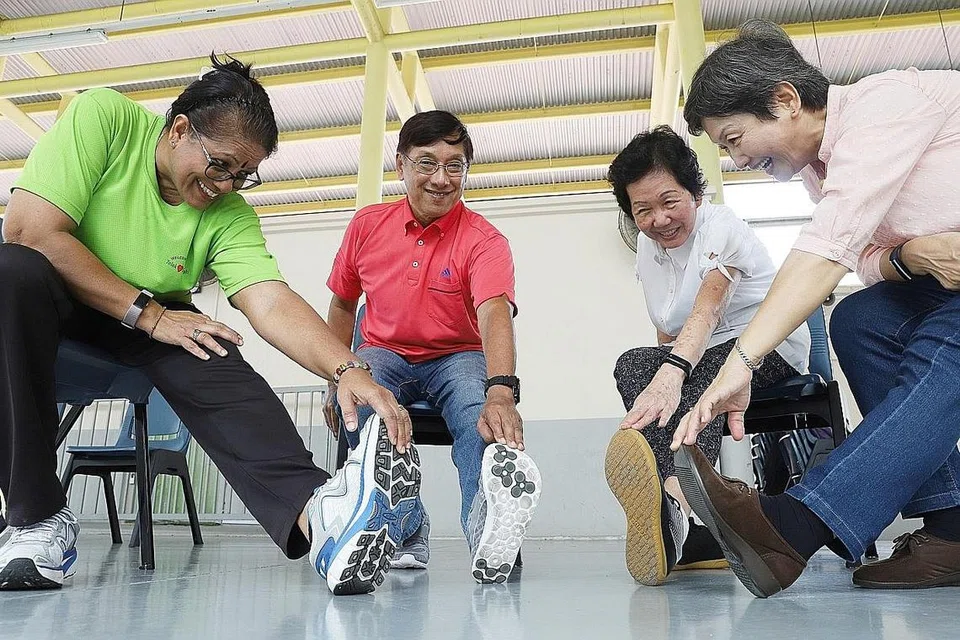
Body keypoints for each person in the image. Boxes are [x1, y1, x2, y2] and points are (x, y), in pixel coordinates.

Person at [0, 54, 423, 596]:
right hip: (58, 305)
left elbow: (267, 300)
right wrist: (148, 314)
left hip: (151, 321)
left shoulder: (230, 214)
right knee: (11, 272)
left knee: (214, 350)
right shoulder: (102, 119)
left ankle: (321, 517)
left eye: (244, 174)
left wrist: (347, 368)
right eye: (221, 165)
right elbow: (29, 229)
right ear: (179, 129)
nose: (227, 184)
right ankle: (36, 520)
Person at [672, 20, 960, 597]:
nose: (734, 158)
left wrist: (741, 362)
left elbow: (830, 249)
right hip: (943, 280)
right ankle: (951, 527)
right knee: (859, 320)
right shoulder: (818, 169)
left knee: (946, 346)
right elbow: (869, 259)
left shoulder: (887, 104)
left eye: (733, 139)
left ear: (784, 100)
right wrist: (911, 252)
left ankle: (793, 528)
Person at [322, 110, 541, 584]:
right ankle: (404, 529)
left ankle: (486, 532)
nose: (441, 179)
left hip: (458, 355)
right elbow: (343, 305)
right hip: (382, 350)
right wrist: (337, 374)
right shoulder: (366, 225)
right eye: (426, 163)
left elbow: (494, 313)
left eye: (455, 165)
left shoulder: (485, 240)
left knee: (476, 416)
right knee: (364, 407)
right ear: (400, 165)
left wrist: (501, 391)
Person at [604, 126, 810, 585]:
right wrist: (660, 377)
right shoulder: (646, 250)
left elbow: (710, 307)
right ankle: (686, 524)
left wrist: (674, 374)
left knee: (702, 372)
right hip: (701, 353)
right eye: (643, 210)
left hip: (763, 350)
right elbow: (666, 327)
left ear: (695, 193)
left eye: (669, 201)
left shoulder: (723, 225)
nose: (659, 219)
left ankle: (674, 499)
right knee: (633, 364)